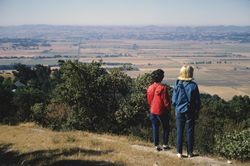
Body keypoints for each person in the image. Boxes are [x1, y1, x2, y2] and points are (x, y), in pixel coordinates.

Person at [172, 65, 201, 158]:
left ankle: (179, 152)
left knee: (179, 131)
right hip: (190, 111)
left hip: (179, 111)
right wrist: (197, 111)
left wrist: (176, 108)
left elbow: (174, 101)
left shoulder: (177, 84)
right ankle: (190, 152)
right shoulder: (194, 85)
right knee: (190, 131)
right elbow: (197, 101)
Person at [147, 69, 171, 151]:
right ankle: (165, 144)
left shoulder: (150, 87)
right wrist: (169, 109)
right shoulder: (163, 88)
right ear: (161, 78)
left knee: (155, 127)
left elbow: (149, 100)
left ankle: (156, 145)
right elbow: (166, 101)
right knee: (166, 127)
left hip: (152, 110)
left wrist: (151, 106)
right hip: (161, 111)